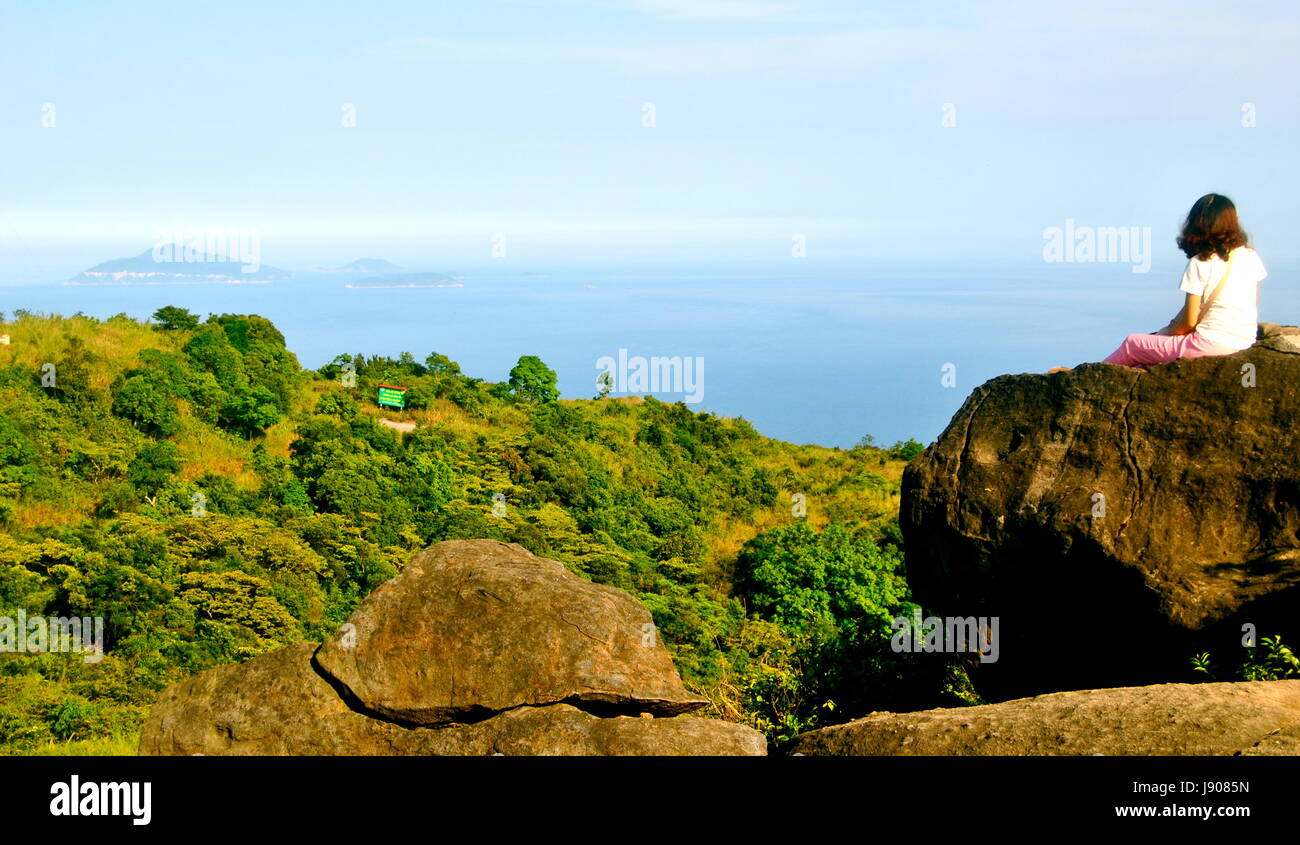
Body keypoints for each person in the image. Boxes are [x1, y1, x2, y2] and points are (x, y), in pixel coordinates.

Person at [1050, 194, 1267, 372]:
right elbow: (1251, 306)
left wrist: (1167, 332)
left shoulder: (1200, 262)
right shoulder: (1249, 256)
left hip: (1210, 345)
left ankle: (1087, 376)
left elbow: (1189, 322)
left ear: (1197, 224)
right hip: (1243, 342)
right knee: (1148, 355)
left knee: (1133, 344)